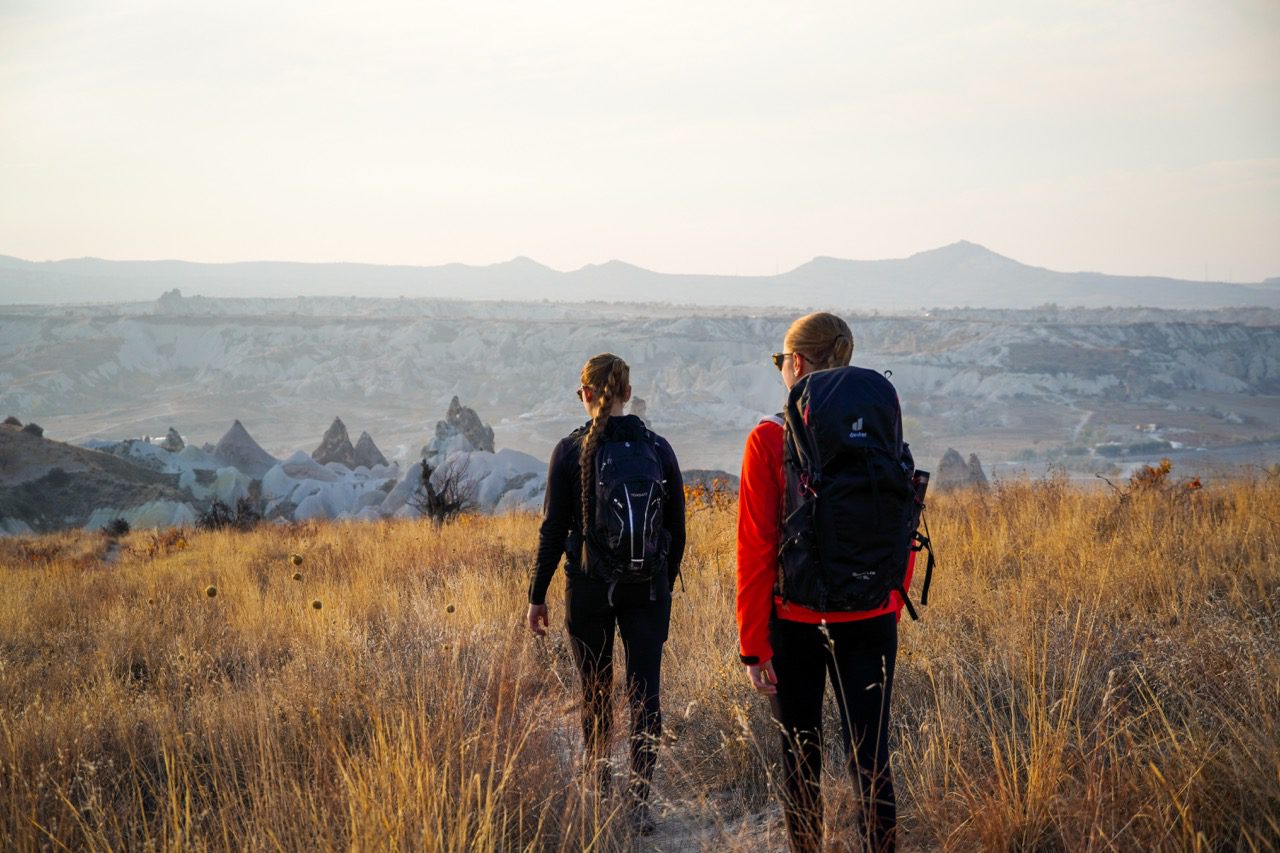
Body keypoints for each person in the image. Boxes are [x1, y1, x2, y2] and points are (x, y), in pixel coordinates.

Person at [736, 312, 913, 853]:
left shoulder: (769, 436)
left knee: (801, 759)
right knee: (872, 756)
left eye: (780, 362)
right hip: (872, 614)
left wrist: (752, 646)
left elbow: (756, 548)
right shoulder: (879, 420)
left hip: (797, 623)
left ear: (795, 363)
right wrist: (887, 597)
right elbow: (903, 516)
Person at [526, 352, 686, 834]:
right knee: (645, 697)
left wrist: (538, 594)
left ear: (588, 395)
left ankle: (599, 791)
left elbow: (553, 529)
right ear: (627, 394)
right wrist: (661, 583)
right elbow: (677, 531)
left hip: (589, 590)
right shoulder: (658, 448)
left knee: (594, 694)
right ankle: (639, 803)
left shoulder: (571, 450)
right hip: (648, 592)